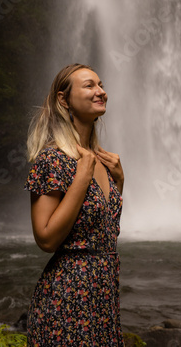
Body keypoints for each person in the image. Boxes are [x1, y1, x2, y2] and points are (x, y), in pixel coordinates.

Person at [24, 63, 125, 346]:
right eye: (90, 85)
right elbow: (45, 239)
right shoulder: (53, 160)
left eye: (101, 85)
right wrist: (82, 177)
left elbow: (106, 234)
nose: (101, 91)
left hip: (103, 298)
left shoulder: (103, 162)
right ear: (63, 98)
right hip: (67, 298)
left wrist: (119, 182)